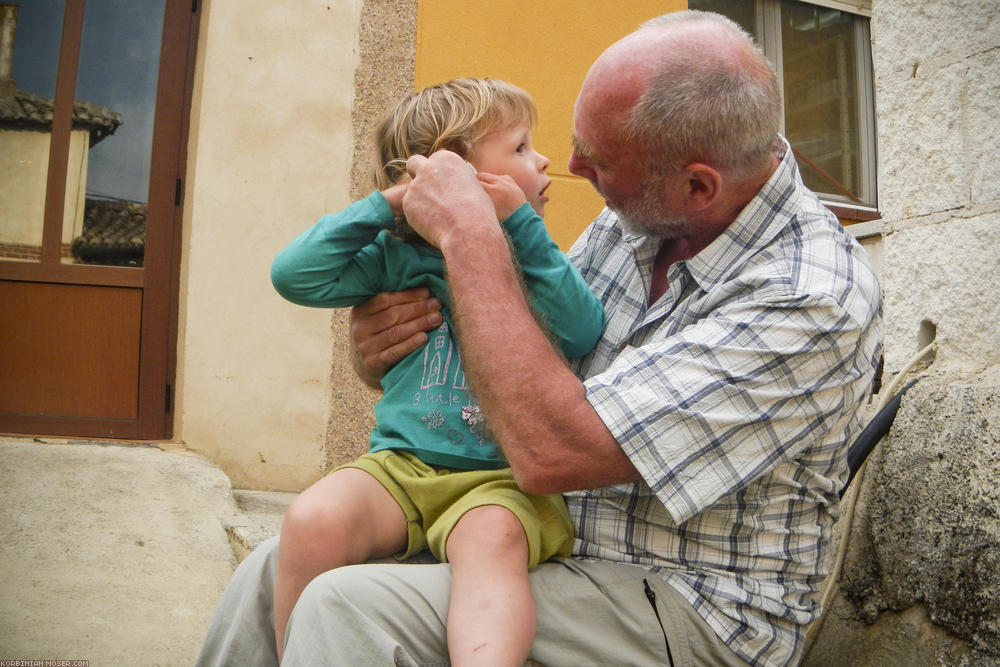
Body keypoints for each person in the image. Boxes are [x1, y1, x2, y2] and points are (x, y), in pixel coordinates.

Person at [196, 10, 882, 667]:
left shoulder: (809, 295)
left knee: (349, 603)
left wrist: (470, 238)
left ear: (697, 184)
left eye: (600, 161)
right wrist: (392, 344)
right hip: (549, 539)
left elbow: (552, 450)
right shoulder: (640, 216)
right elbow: (516, 342)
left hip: (685, 601)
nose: (575, 170)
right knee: (274, 565)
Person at [266, 77, 605, 664]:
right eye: (521, 147)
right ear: (462, 174)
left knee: (492, 545)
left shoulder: (534, 261)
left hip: (502, 480)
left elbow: (580, 329)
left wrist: (518, 227)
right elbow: (295, 276)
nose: (544, 158)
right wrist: (390, 203)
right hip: (400, 469)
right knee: (310, 519)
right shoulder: (395, 259)